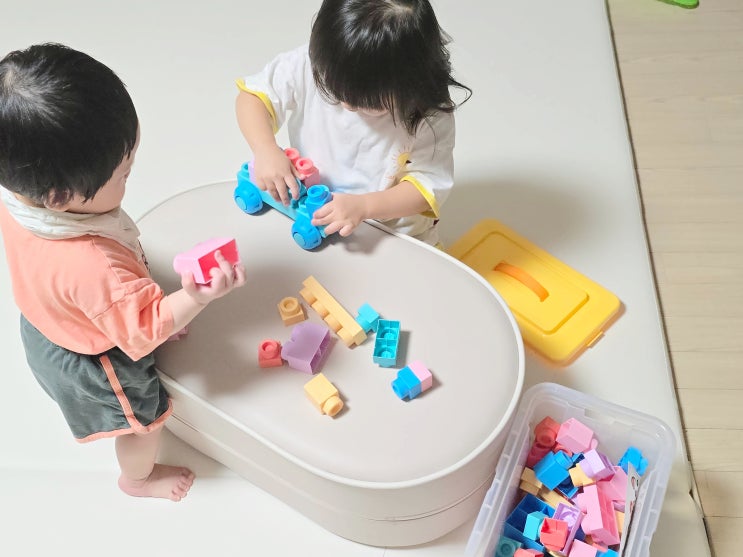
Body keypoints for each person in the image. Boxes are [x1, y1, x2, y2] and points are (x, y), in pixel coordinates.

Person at [0, 43, 247, 502]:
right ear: (60, 197)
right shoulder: (95, 266)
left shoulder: (18, 198)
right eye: (123, 175)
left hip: (46, 317)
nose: (129, 178)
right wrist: (196, 296)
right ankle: (137, 480)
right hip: (96, 357)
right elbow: (145, 332)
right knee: (144, 422)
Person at [235, 0, 471, 246]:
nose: (347, 105)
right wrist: (265, 149)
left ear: (412, 84)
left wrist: (364, 206)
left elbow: (426, 188)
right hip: (314, 206)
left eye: (367, 103)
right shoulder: (321, 62)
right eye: (333, 89)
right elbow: (252, 98)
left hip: (392, 232)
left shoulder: (429, 115)